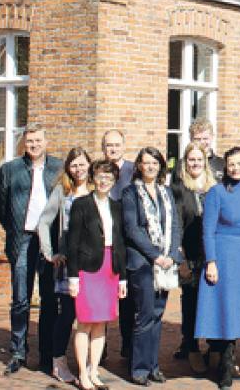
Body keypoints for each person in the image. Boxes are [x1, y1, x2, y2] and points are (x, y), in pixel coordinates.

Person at [0, 124, 63, 376]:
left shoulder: (58, 168)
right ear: (24, 142)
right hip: (21, 239)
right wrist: (13, 227)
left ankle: (46, 354)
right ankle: (18, 351)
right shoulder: (10, 170)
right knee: (20, 298)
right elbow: (0, 204)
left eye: (38, 140)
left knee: (48, 299)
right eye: (30, 140)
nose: (34, 145)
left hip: (48, 241)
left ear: (46, 141)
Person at [196, 147, 240, 389]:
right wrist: (211, 261)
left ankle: (229, 359)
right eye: (231, 164)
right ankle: (223, 364)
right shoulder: (216, 192)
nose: (235, 168)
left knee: (237, 311)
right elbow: (208, 230)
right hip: (222, 255)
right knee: (222, 310)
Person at [121, 147, 182, 386]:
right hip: (142, 263)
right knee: (144, 316)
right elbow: (132, 229)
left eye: (154, 163)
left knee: (157, 316)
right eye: (145, 163)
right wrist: (155, 255)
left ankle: (154, 366)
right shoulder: (130, 193)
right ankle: (139, 368)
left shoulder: (166, 192)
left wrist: (172, 254)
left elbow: (174, 225)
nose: (150, 167)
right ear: (138, 166)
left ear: (161, 166)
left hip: (165, 262)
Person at [66, 159, 128, 390]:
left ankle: (94, 371)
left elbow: (120, 243)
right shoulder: (81, 204)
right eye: (100, 176)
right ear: (93, 177)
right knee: (85, 323)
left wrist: (122, 277)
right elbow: (72, 243)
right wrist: (73, 277)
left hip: (109, 269)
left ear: (114, 181)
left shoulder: (116, 206)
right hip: (87, 269)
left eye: (109, 178)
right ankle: (82, 373)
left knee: (101, 323)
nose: (104, 181)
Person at [37, 146, 93, 383]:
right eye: (74, 165)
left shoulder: (96, 188)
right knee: (68, 313)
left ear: (89, 164)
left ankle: (90, 367)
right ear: (68, 168)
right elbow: (44, 221)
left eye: (82, 164)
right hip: (69, 262)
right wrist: (50, 254)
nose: (78, 169)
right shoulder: (63, 190)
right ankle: (58, 362)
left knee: (92, 316)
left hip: (94, 263)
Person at [169, 142, 217, 373]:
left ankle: (213, 347)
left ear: (205, 162)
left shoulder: (214, 187)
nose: (195, 163)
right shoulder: (179, 188)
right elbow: (176, 224)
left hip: (212, 256)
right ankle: (192, 347)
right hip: (191, 255)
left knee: (211, 301)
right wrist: (182, 259)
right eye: (191, 160)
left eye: (199, 160)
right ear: (185, 163)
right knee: (191, 302)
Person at [102, 129, 136, 358]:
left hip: (127, 240)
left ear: (124, 146)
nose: (112, 149)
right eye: (108, 145)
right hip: (103, 240)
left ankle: (128, 344)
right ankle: (100, 346)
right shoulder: (99, 170)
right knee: (102, 295)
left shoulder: (133, 170)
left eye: (116, 145)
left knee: (128, 298)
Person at [172, 119, 225, 183]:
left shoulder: (222, 165)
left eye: (205, 138)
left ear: (212, 137)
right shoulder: (180, 165)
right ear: (190, 138)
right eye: (197, 139)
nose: (202, 142)